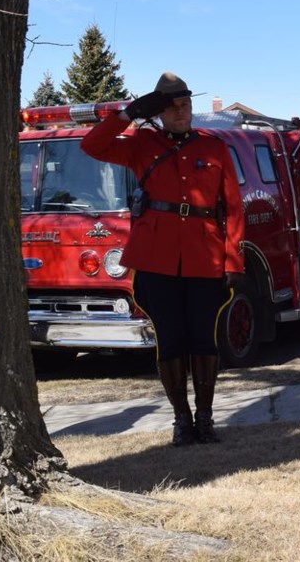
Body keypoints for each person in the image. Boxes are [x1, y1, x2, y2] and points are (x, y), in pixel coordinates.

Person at [82, 72, 244, 445]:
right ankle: (181, 421)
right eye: (172, 107)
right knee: (170, 339)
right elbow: (92, 145)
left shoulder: (213, 147)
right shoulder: (141, 143)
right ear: (159, 111)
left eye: (185, 105)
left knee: (204, 338)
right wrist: (127, 114)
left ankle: (205, 419)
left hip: (205, 256)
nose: (181, 112)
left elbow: (233, 209)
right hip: (157, 259)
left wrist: (233, 261)